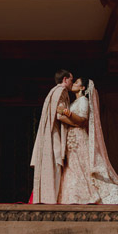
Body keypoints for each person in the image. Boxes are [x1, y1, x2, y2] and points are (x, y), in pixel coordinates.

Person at [56, 77, 118, 205]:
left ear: (82, 88)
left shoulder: (83, 100)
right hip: (72, 137)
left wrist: (65, 114)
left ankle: (90, 195)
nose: (73, 84)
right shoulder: (74, 103)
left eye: (76, 83)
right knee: (73, 167)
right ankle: (74, 196)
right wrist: (62, 117)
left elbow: (82, 120)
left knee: (83, 165)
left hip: (79, 138)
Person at [30, 69, 72, 204]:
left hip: (50, 132)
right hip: (54, 133)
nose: (72, 83)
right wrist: (77, 122)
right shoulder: (61, 91)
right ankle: (51, 199)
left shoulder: (52, 91)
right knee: (55, 164)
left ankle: (48, 198)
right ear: (65, 79)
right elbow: (60, 115)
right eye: (71, 80)